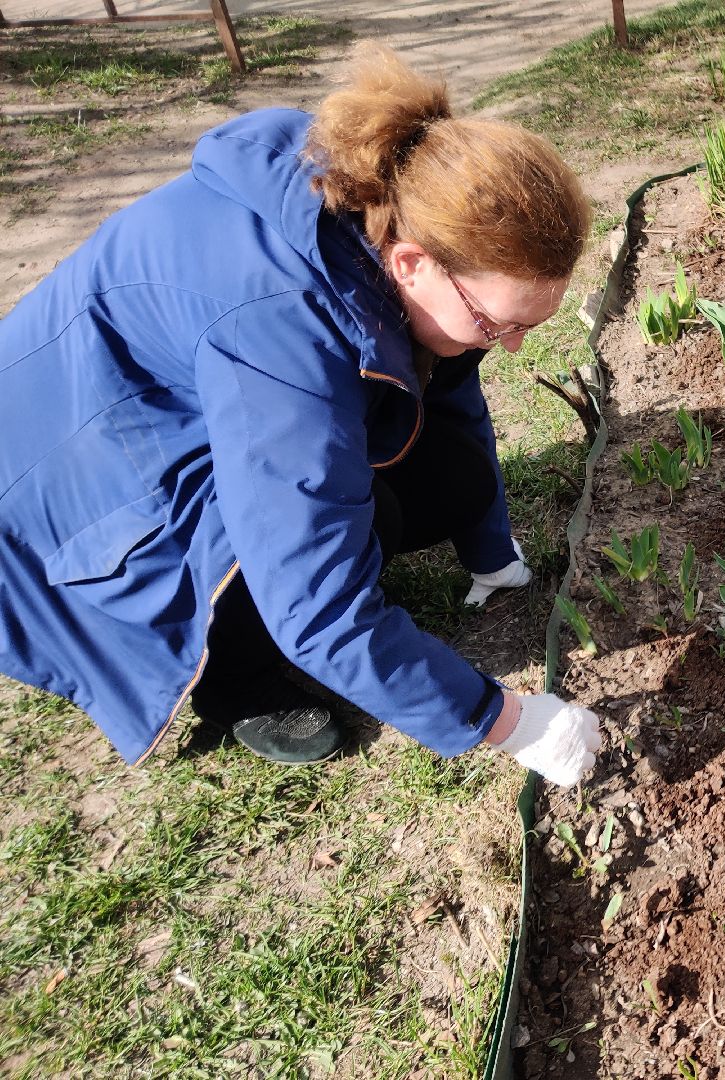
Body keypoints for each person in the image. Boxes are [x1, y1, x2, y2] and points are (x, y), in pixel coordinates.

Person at [0, 44, 600, 786]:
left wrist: (491, 549)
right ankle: (232, 679)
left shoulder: (392, 212)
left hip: (178, 404)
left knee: (455, 478)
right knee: (359, 526)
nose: (509, 347)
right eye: (497, 322)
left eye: (525, 328)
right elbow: (319, 605)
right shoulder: (284, 323)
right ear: (412, 264)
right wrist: (508, 721)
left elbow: (447, 386)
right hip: (74, 499)